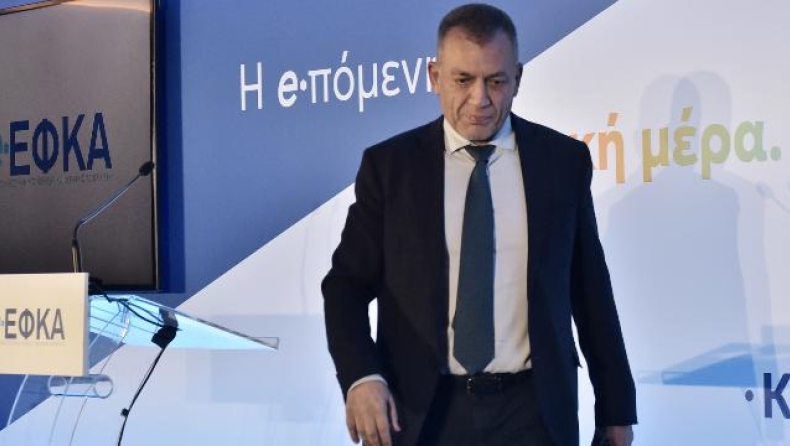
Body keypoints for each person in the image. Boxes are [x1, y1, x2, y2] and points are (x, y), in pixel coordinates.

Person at [322, 4, 636, 446]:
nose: (480, 99)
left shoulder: (562, 163)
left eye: (496, 81)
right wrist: (361, 376)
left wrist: (616, 409)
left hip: (535, 413)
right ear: (434, 77)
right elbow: (345, 287)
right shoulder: (390, 168)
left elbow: (590, 292)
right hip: (422, 413)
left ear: (518, 79)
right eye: (463, 80)